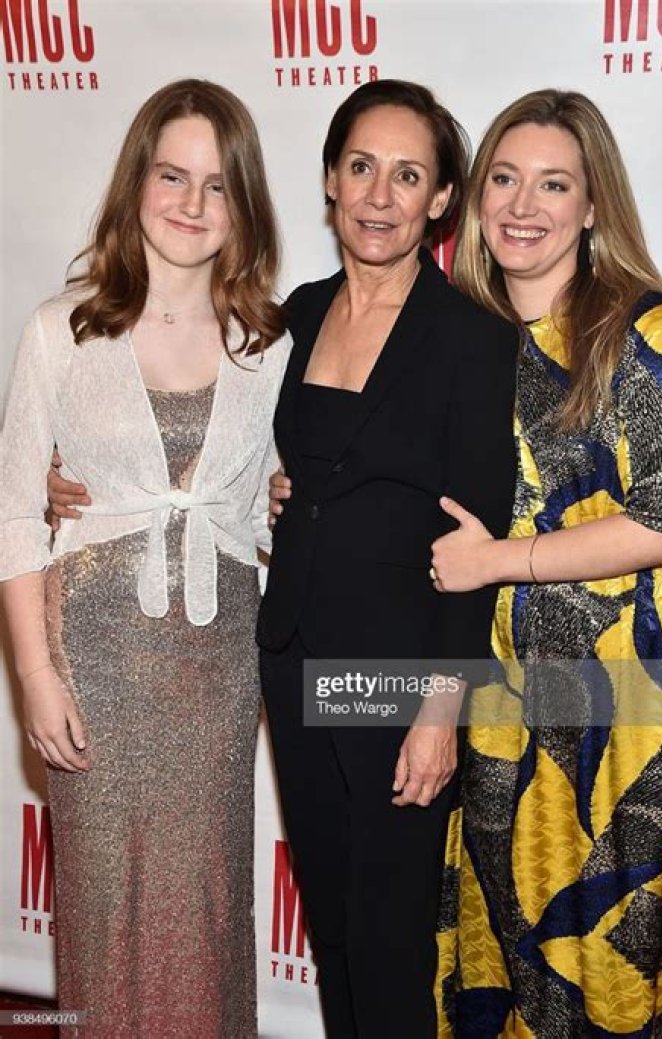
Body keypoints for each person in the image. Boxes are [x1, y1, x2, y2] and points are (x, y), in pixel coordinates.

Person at [426, 90, 662, 1037]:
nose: (523, 206)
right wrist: (302, 493)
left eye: (553, 185)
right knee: (514, 950)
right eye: (504, 179)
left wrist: (497, 560)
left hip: (631, 691)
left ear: (593, 206)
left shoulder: (641, 326)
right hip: (502, 685)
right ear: (475, 197)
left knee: (615, 964)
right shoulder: (455, 332)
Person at [0, 79, 289, 1038]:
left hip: (217, 671)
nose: (192, 203)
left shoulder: (269, 344)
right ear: (137, 181)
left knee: (208, 913)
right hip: (95, 663)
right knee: (104, 912)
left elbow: (275, 496)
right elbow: (14, 512)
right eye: (173, 175)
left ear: (244, 204)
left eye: (217, 184)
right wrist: (36, 676)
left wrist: (286, 496)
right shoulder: (62, 330)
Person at [256, 80, 517, 1039]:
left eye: (408, 176)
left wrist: (439, 710)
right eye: (361, 166)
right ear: (330, 178)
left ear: (441, 200)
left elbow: (474, 538)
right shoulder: (295, 315)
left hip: (396, 673)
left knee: (389, 935)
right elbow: (226, 447)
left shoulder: (471, 340)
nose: (379, 194)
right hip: (292, 653)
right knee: (331, 922)